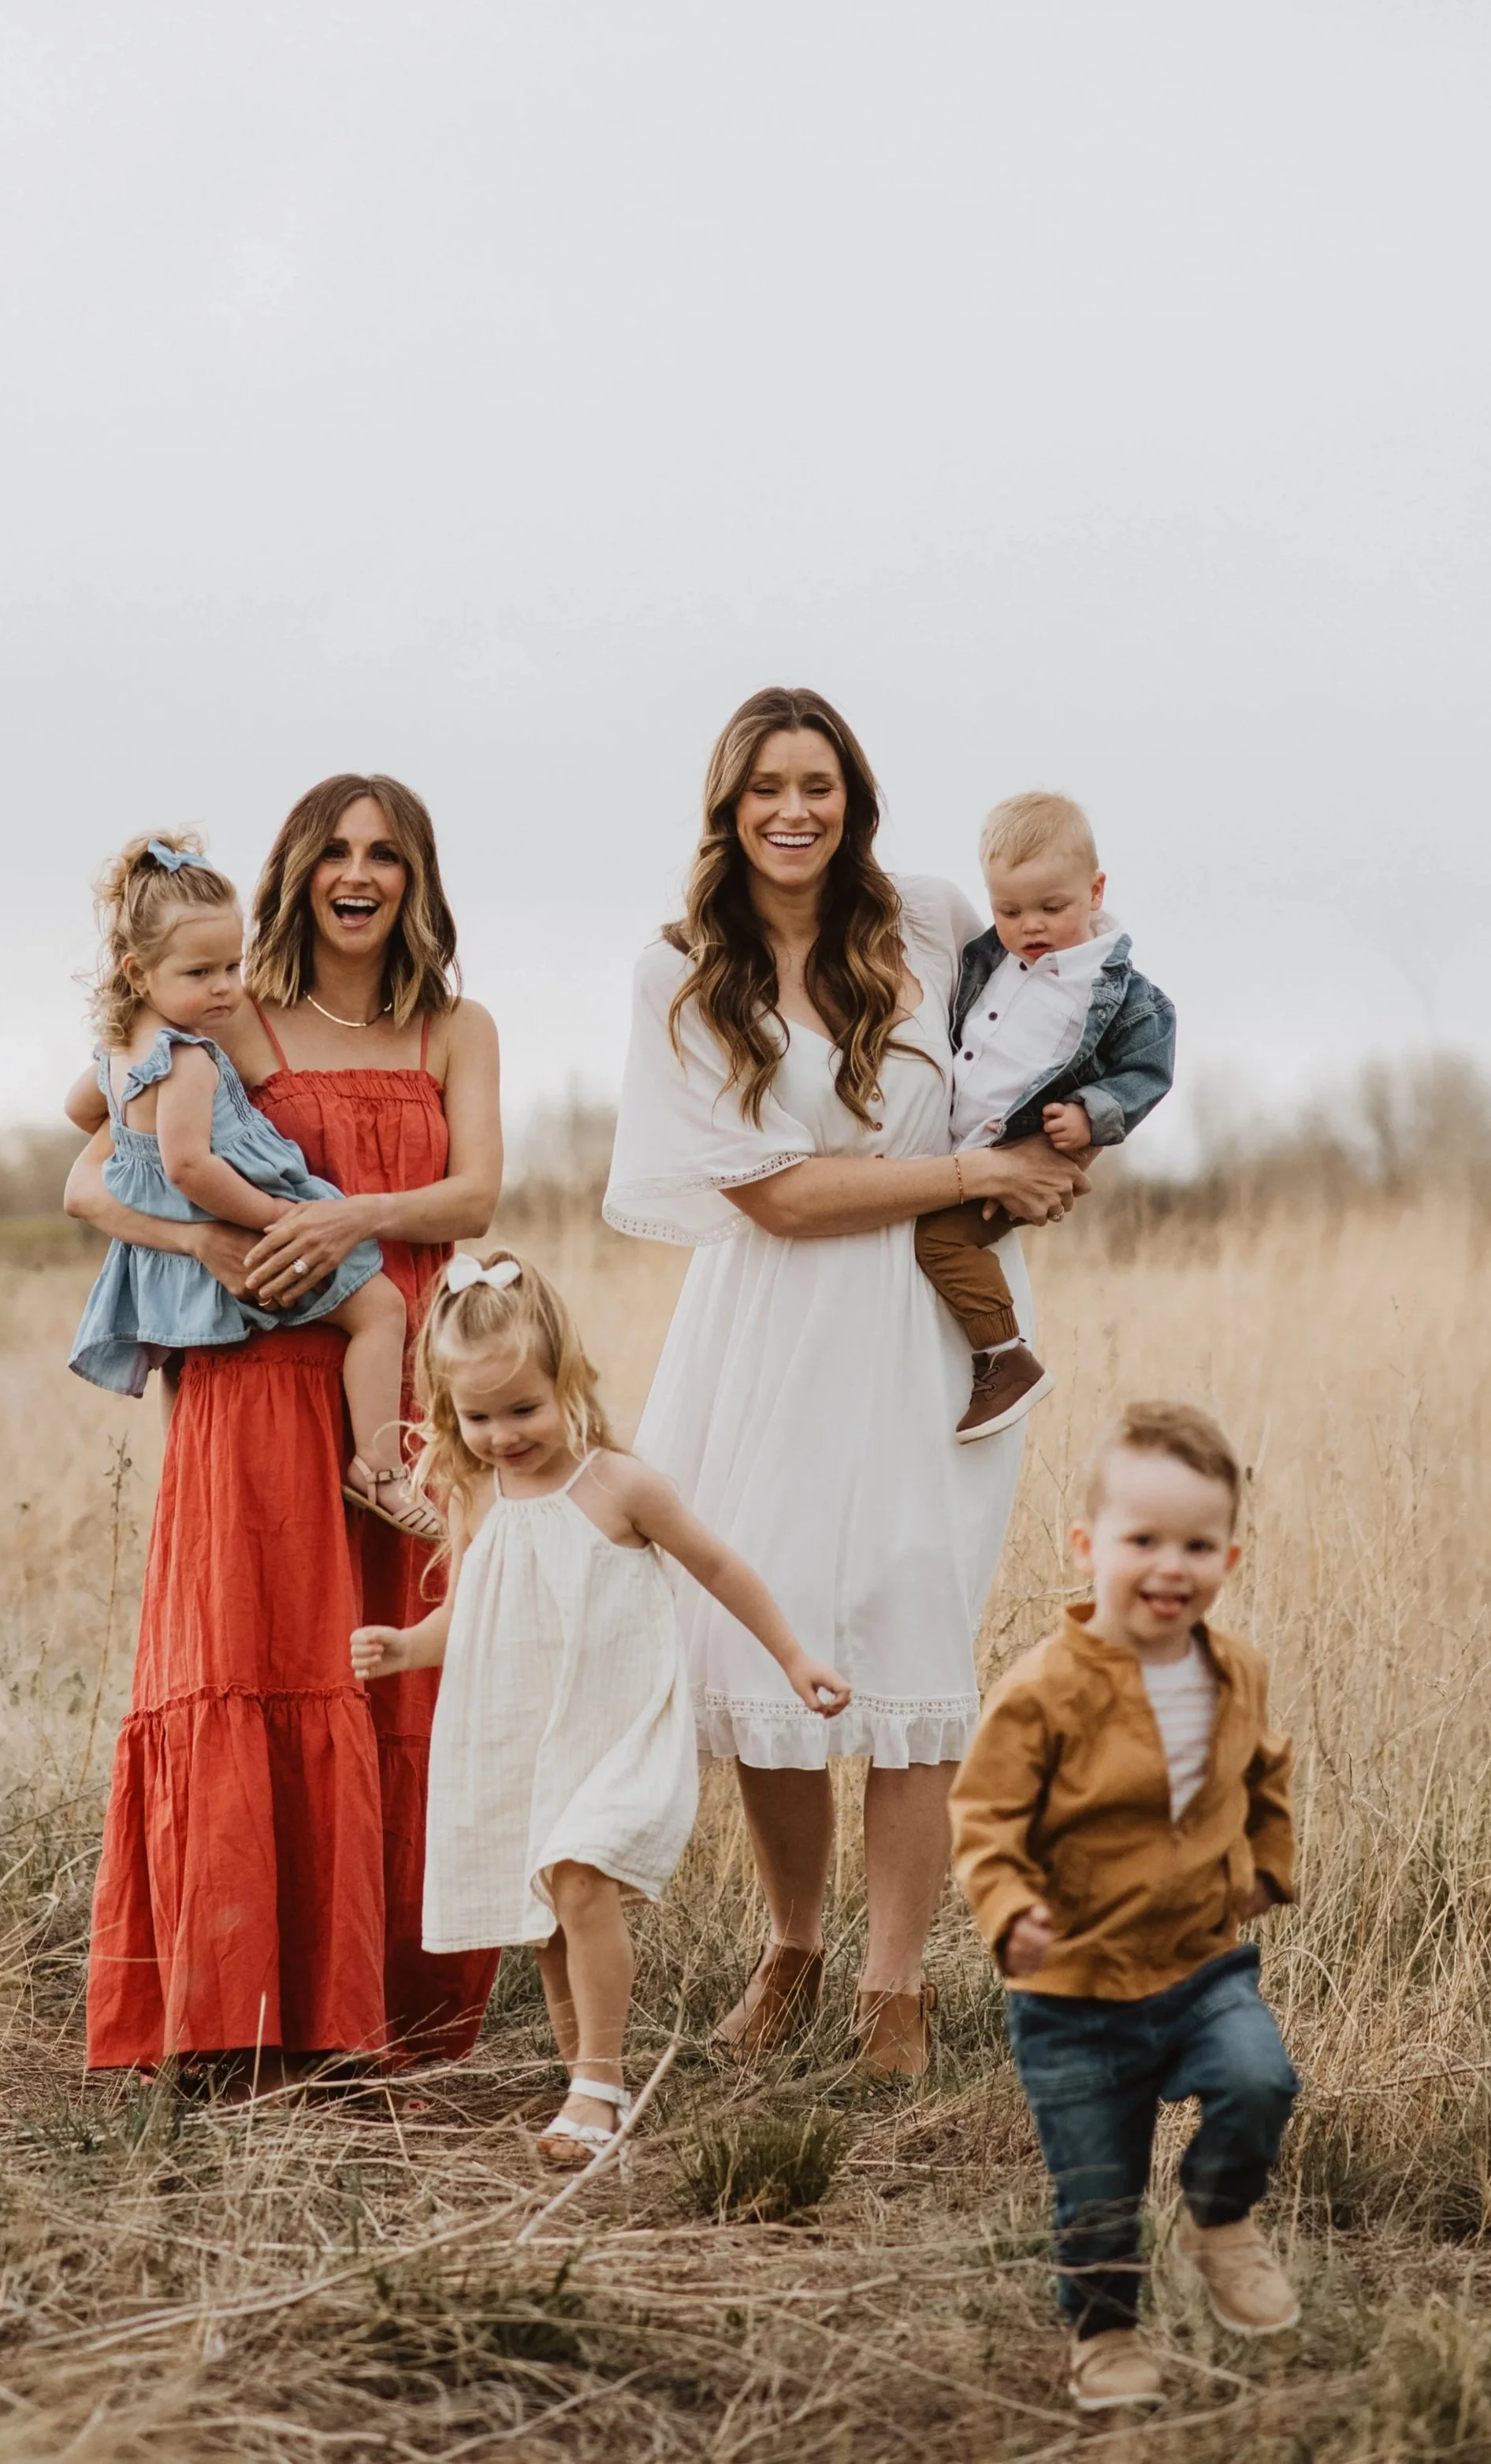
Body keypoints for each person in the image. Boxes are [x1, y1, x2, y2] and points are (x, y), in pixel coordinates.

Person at [603, 686, 1090, 2078]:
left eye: (815, 783)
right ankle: (792, 1949)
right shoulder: (681, 969)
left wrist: (1072, 1140)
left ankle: (892, 1993)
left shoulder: (930, 916)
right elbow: (771, 1192)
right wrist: (970, 1172)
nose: (792, 810)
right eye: (764, 787)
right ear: (726, 807)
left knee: (904, 1633)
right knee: (771, 1638)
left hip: (931, 1328)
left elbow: (1067, 1002)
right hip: (773, 1320)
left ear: (853, 797)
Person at [67, 774, 502, 2088]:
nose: (357, 874)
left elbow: (476, 1190)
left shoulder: (453, 1026)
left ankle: (381, 2021)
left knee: (394, 1672)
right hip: (254, 1377)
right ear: (298, 869)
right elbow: (90, 1161)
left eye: (386, 854)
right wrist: (194, 1232)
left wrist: (347, 1220)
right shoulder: (227, 1008)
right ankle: (236, 2015)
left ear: (416, 878)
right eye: (334, 852)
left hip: (404, 1370)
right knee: (256, 1657)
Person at [351, 1251, 850, 2168]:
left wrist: (792, 1656)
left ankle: (599, 2086)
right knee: (550, 1918)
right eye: (480, 1416)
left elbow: (719, 1566)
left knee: (578, 1878)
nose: (504, 1434)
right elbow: (463, 1613)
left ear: (567, 1378)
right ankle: (585, 2082)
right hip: (533, 1741)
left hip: (619, 1731)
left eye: (524, 1408)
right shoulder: (476, 1496)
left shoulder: (619, 1485)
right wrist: (404, 1647)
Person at [951, 1402, 1300, 2414]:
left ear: (1228, 1554)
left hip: (1199, 1965)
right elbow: (983, 1811)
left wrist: (1264, 1865)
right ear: (1084, 1545)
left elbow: (1264, 1772)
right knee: (1096, 2191)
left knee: (1258, 2078)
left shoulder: (1231, 1668)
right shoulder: (1044, 1690)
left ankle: (1219, 2213)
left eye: (1195, 1543)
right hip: (1071, 1991)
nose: (1169, 1566)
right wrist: (1009, 1905)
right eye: (1141, 1540)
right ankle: (1103, 2334)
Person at [66, 831, 437, 1538]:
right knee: (381, 1309)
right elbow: (190, 1167)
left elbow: (80, 1110)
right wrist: (279, 1214)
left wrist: (127, 1110)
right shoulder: (190, 1059)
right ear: (138, 971)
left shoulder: (119, 1051)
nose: (225, 988)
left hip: (167, 1268)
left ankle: (191, 1505)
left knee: (187, 1381)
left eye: (232, 966)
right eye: (201, 972)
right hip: (247, 1231)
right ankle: (380, 1467)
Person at [913, 792, 1176, 1444]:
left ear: (1095, 889)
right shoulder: (990, 959)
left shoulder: (1119, 996)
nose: (1029, 925)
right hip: (950, 1147)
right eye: (1008, 909)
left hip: (1009, 1159)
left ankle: (1004, 1358)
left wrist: (1090, 1117)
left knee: (937, 1241)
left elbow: (1147, 1071)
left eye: (1051, 908)